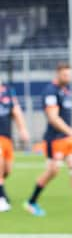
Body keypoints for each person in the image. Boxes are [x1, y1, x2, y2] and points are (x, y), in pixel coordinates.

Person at [23, 62, 72, 216]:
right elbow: (53, 118)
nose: (68, 77)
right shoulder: (51, 92)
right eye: (65, 75)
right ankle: (31, 202)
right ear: (57, 74)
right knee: (52, 171)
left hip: (68, 140)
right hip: (55, 139)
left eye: (70, 74)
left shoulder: (66, 90)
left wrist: (71, 135)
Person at [0, 81, 30, 212]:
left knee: (7, 170)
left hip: (6, 137)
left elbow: (16, 111)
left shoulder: (8, 91)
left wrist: (22, 129)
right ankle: (2, 198)